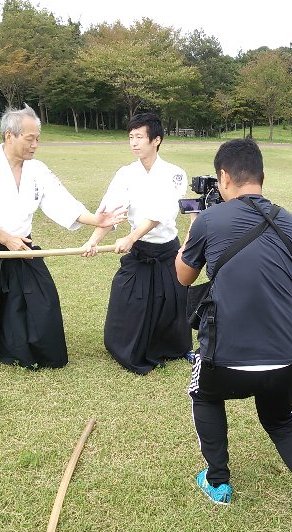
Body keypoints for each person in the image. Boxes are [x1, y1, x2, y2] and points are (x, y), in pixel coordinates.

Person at [174, 138, 292, 532]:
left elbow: (184, 277)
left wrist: (191, 236)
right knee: (281, 420)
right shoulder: (291, 223)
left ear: (224, 177)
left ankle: (217, 481)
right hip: (286, 355)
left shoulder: (207, 221)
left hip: (228, 357)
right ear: (263, 177)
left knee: (204, 394)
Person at [0, 104, 123, 368]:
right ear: (9, 136)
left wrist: (96, 219)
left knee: (42, 309)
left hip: (23, 249)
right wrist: (5, 239)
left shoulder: (37, 170)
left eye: (38, 139)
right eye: (30, 138)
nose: (35, 145)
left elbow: (61, 201)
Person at [84, 113, 191, 374]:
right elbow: (112, 211)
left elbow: (161, 212)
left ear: (156, 140)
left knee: (170, 303)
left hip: (166, 251)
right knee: (126, 295)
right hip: (140, 253)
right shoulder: (125, 174)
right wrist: (93, 241)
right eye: (131, 137)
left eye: (139, 137)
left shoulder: (175, 174)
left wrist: (131, 237)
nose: (133, 143)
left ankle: (174, 347)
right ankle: (125, 345)